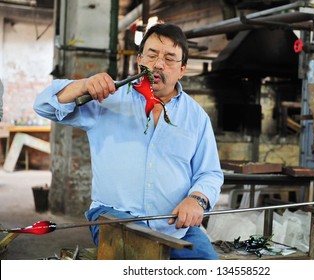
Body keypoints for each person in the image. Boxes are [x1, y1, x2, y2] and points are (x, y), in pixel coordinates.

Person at [34, 23, 224, 260]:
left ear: (182, 69)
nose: (158, 64)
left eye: (169, 58)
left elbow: (210, 173)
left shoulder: (196, 117)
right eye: (152, 55)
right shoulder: (109, 100)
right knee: (137, 261)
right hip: (114, 218)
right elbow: (43, 105)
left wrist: (196, 200)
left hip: (175, 227)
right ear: (139, 61)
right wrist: (83, 84)